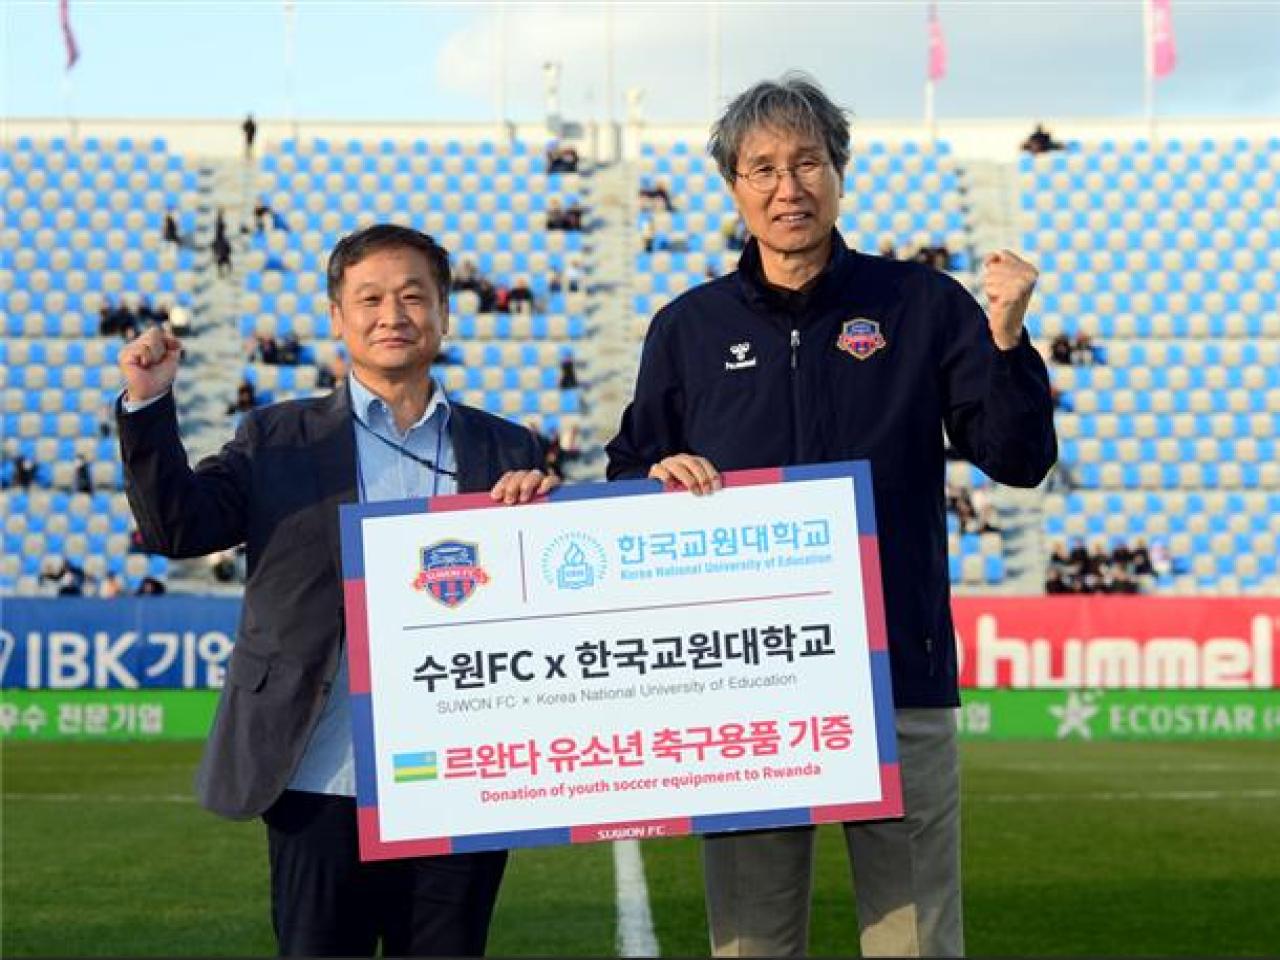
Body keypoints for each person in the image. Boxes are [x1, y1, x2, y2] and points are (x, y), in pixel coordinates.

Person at [605, 73, 1056, 958]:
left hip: (899, 677)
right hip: (745, 690)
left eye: (808, 161)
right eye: (763, 167)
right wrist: (655, 473)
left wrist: (1006, 340)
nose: (788, 186)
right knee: (752, 944)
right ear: (732, 185)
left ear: (840, 173)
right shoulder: (687, 328)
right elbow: (628, 476)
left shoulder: (922, 305)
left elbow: (1019, 458)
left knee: (915, 942)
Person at [116, 223, 557, 957]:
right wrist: (148, 407)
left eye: (414, 296)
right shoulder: (276, 437)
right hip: (318, 774)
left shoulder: (506, 446)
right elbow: (178, 529)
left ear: (445, 313)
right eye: (371, 298)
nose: (394, 314)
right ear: (337, 318)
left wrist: (540, 515)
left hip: (461, 777)